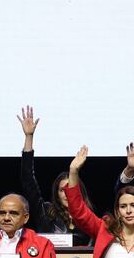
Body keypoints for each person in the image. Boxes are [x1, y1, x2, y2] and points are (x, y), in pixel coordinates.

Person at [65, 146, 134, 258]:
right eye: (123, 206)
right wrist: (73, 171)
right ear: (118, 211)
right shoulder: (105, 230)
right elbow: (78, 211)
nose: (128, 211)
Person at [17, 105, 94, 246]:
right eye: (62, 190)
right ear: (56, 193)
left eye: (69, 189)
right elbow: (28, 181)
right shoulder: (46, 212)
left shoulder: (88, 217)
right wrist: (29, 137)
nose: (67, 194)